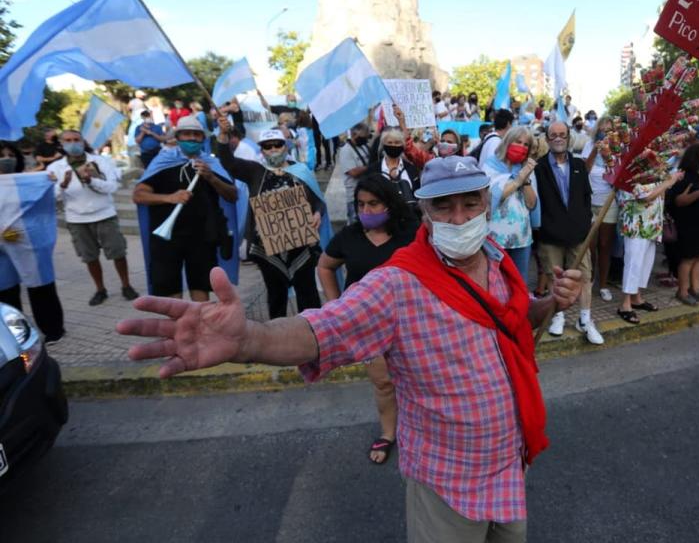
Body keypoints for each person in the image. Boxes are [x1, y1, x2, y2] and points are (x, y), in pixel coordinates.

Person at [118, 155, 583, 541]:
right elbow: (322, 330)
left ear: (486, 203)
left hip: (509, 463)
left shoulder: (498, 257)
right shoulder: (396, 285)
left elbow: (514, 320)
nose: (459, 218)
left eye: (470, 203)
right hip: (449, 481)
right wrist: (249, 339)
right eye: (444, 206)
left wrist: (548, 302)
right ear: (424, 211)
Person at [318, 173, 418, 465]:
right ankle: (389, 433)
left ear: (389, 203)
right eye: (361, 204)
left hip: (409, 322)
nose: (367, 211)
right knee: (383, 383)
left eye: (374, 203)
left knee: (415, 380)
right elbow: (325, 266)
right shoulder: (349, 236)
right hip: (367, 327)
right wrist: (337, 305)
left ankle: (419, 428)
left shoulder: (411, 233)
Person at [218, 126, 330, 319]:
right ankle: (277, 341)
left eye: (277, 145)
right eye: (267, 147)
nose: (273, 150)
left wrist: (317, 214)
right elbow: (228, 162)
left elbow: (318, 200)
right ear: (262, 150)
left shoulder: (300, 171)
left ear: (285, 146)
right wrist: (222, 135)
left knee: (308, 295)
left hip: (301, 247)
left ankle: (312, 335)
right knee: (276, 297)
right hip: (267, 250)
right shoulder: (255, 172)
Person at [132, 116, 239, 301]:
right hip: (166, 239)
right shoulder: (163, 161)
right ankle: (179, 328)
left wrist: (211, 177)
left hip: (202, 238)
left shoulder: (210, 163)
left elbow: (232, 195)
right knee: (170, 291)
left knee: (201, 288)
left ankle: (201, 327)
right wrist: (169, 198)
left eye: (196, 134)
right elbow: (138, 195)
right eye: (186, 134)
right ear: (177, 137)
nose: (191, 138)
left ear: (203, 139)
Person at [47, 130, 138, 305]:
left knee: (118, 252)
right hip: (77, 219)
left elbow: (112, 187)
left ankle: (126, 285)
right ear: (61, 144)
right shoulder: (55, 168)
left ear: (82, 141)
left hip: (104, 214)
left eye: (76, 139)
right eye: (68, 140)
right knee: (89, 257)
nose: (73, 143)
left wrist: (90, 181)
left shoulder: (100, 161)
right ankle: (100, 289)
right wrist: (63, 184)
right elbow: (52, 197)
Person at [535, 120, 601, 344]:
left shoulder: (579, 165)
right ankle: (558, 316)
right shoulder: (539, 167)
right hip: (550, 235)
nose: (558, 138)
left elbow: (585, 198)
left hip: (578, 234)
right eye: (553, 135)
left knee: (584, 275)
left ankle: (585, 319)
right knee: (556, 277)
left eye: (562, 134)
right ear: (547, 139)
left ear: (569, 137)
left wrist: (584, 225)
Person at [0, 142, 66, 341]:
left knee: (40, 287)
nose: (6, 158)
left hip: (25, 241)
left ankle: (53, 330)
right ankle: (15, 334)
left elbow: (49, 198)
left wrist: (50, 181)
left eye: (10, 154)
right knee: (5, 291)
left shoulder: (27, 181)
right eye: (1, 154)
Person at [615, 174, 678, 323]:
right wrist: (668, 182)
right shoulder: (632, 169)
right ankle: (625, 304)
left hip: (651, 223)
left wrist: (667, 181)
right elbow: (643, 196)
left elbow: (659, 193)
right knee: (633, 263)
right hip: (636, 224)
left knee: (646, 262)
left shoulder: (654, 169)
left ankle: (636, 297)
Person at [482, 126, 540, 284]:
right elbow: (492, 197)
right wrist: (517, 181)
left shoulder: (525, 169)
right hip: (495, 238)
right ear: (507, 142)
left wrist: (526, 179)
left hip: (521, 238)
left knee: (519, 282)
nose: (522, 147)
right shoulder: (491, 165)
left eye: (526, 144)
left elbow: (531, 203)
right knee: (495, 282)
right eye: (518, 142)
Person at [667, 144, 699, 306]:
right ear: (697, 158)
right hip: (689, 224)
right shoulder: (686, 177)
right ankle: (682, 291)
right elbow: (679, 201)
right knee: (687, 258)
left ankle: (695, 288)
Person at [582, 116, 617, 302]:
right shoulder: (589, 145)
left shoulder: (617, 148)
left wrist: (608, 155)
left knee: (605, 246)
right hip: (589, 202)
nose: (605, 133)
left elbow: (617, 175)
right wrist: (595, 151)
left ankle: (603, 285)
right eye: (602, 129)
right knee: (591, 246)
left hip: (609, 202)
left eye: (609, 130)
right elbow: (584, 170)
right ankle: (590, 279)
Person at [372, 126, 421, 216]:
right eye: (389, 142)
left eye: (397, 142)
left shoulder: (411, 169)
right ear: (383, 145)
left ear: (402, 145)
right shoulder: (373, 170)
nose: (393, 145)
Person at [338, 123, 371, 224]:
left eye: (366, 137)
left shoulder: (364, 146)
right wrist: (370, 167)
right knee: (355, 224)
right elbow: (353, 172)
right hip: (353, 196)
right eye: (363, 137)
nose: (365, 139)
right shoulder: (346, 150)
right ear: (354, 135)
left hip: (366, 192)